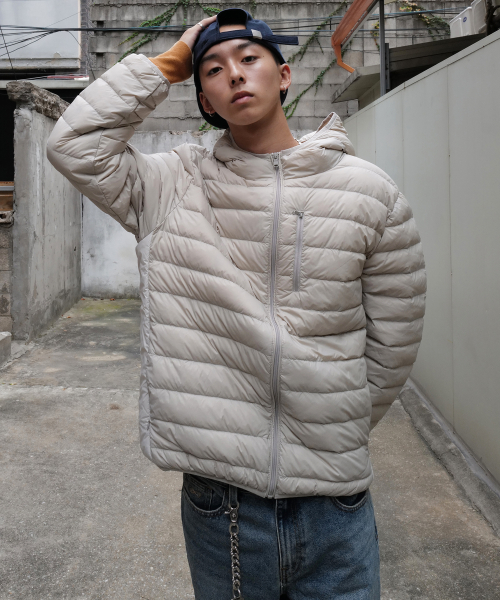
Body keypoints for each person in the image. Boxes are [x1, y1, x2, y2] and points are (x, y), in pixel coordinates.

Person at [47, 8, 426, 599]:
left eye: (249, 59)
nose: (235, 74)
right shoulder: (171, 185)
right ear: (204, 98)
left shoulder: (369, 192)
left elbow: (394, 337)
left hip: (335, 499)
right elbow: (74, 145)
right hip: (220, 503)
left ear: (284, 75)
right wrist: (166, 65)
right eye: (214, 69)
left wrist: (333, 416)